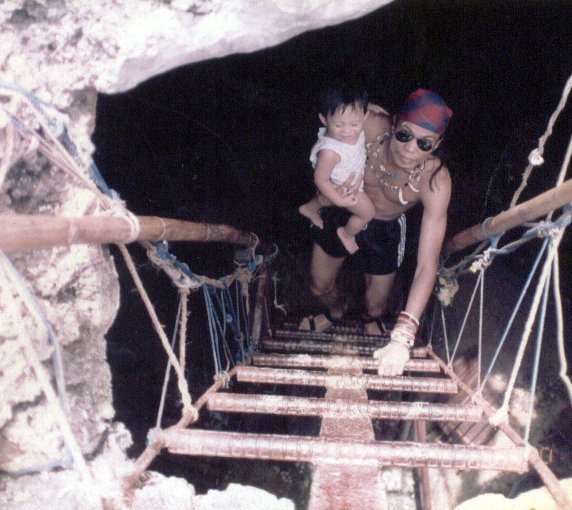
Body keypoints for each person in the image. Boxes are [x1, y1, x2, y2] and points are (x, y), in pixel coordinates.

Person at [308, 88, 453, 376]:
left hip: (385, 227)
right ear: (395, 124)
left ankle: (368, 318)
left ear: (437, 145)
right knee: (319, 286)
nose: (410, 149)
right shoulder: (373, 125)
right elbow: (337, 118)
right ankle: (337, 310)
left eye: (425, 143)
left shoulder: (435, 180)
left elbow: (427, 264)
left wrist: (403, 336)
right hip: (344, 210)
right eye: (404, 135)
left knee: (376, 305)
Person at [299, 83, 375, 254]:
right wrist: (338, 199)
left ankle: (309, 208)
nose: (347, 131)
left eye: (354, 124)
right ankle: (347, 233)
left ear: (365, 116)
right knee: (367, 213)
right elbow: (320, 179)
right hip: (338, 184)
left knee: (326, 199)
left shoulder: (357, 117)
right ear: (324, 120)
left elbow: (360, 109)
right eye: (338, 126)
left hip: (347, 174)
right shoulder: (330, 152)